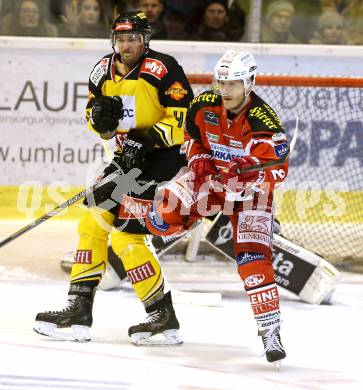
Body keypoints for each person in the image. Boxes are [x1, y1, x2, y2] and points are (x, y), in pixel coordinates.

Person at [34, 11, 193, 345]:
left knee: (125, 238)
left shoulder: (164, 69)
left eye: (133, 39)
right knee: (92, 222)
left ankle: (163, 316)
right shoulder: (102, 69)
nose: (126, 45)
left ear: (145, 40)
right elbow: (94, 114)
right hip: (126, 161)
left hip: (162, 161)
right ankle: (78, 309)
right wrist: (99, 120)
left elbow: (183, 122)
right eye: (121, 39)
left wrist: (146, 139)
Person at [146, 50, 288, 364]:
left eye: (233, 83)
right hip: (209, 181)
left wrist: (251, 170)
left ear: (249, 82)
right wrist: (197, 159)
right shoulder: (203, 104)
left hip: (249, 194)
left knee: (252, 260)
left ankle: (271, 331)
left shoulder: (264, 121)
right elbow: (190, 136)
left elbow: (279, 168)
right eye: (221, 82)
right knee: (160, 218)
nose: (225, 90)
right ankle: (196, 220)